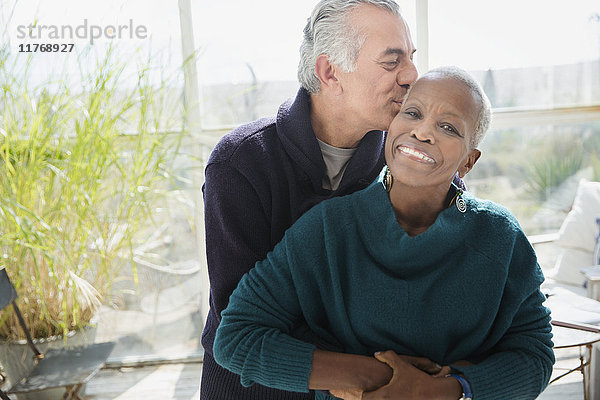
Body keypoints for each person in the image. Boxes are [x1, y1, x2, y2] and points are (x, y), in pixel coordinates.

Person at [213, 67, 555, 400]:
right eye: (412, 113)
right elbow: (236, 337)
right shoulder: (327, 229)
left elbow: (534, 355)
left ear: (470, 160)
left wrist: (442, 390)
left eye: (448, 127)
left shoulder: (500, 236)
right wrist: (374, 376)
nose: (423, 132)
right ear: (391, 126)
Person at [201, 1, 423, 398]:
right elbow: (241, 323)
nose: (412, 75)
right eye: (392, 62)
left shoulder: (411, 163)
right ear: (329, 72)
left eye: (411, 58)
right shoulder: (240, 163)